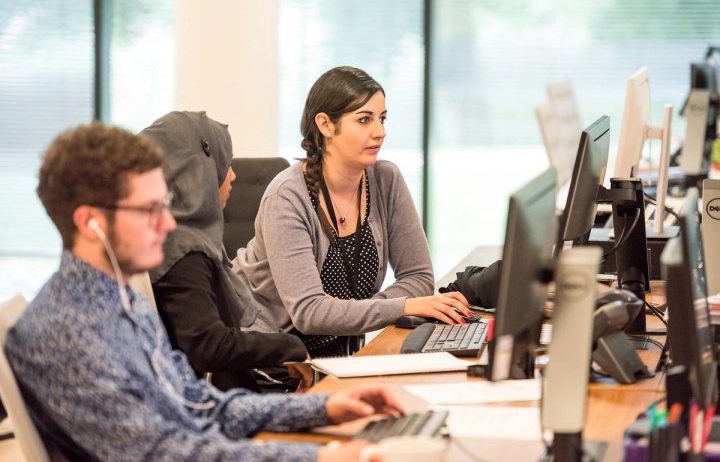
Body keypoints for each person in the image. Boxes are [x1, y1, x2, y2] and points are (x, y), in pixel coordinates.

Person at [5, 121, 403, 461]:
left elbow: (200, 403)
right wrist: (317, 456)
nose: (166, 224)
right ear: (90, 222)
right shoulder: (68, 331)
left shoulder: (120, 301)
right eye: (149, 210)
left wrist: (322, 408)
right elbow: (168, 453)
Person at [233, 66, 472, 357]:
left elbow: (419, 277)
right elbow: (309, 313)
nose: (380, 132)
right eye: (364, 120)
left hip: (341, 354)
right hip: (275, 360)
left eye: (382, 119)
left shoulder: (386, 180)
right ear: (325, 125)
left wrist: (345, 311)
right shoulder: (287, 197)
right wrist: (402, 305)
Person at [142, 111, 311, 393]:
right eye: (226, 164)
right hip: (213, 406)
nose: (232, 175)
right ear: (198, 171)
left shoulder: (176, 238)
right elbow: (208, 346)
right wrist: (289, 347)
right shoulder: (183, 250)